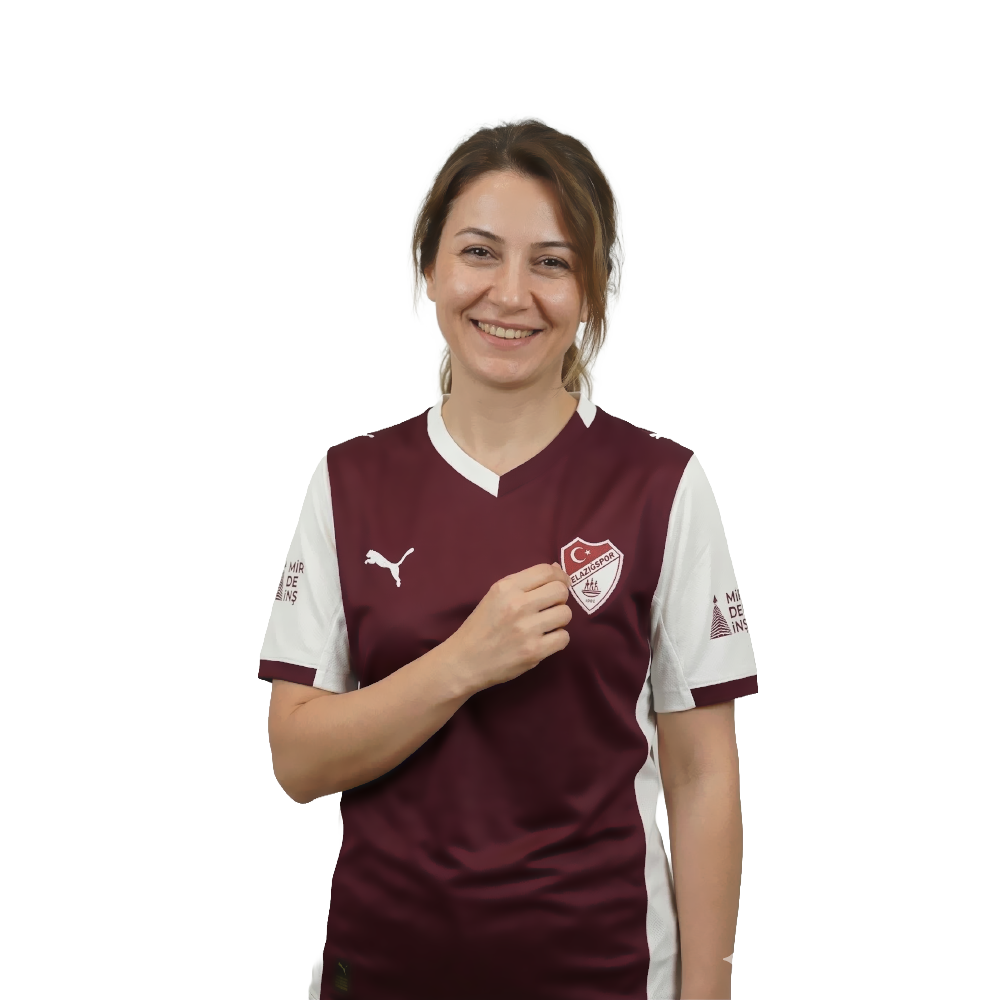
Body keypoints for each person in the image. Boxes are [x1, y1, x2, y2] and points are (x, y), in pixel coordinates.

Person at [260, 118, 757, 1000]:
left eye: (552, 262)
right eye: (480, 252)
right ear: (430, 268)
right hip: (383, 974)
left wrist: (711, 993)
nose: (512, 293)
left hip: (604, 977)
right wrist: (464, 661)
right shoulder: (349, 481)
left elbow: (702, 773)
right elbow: (298, 761)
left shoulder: (661, 485)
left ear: (592, 290)